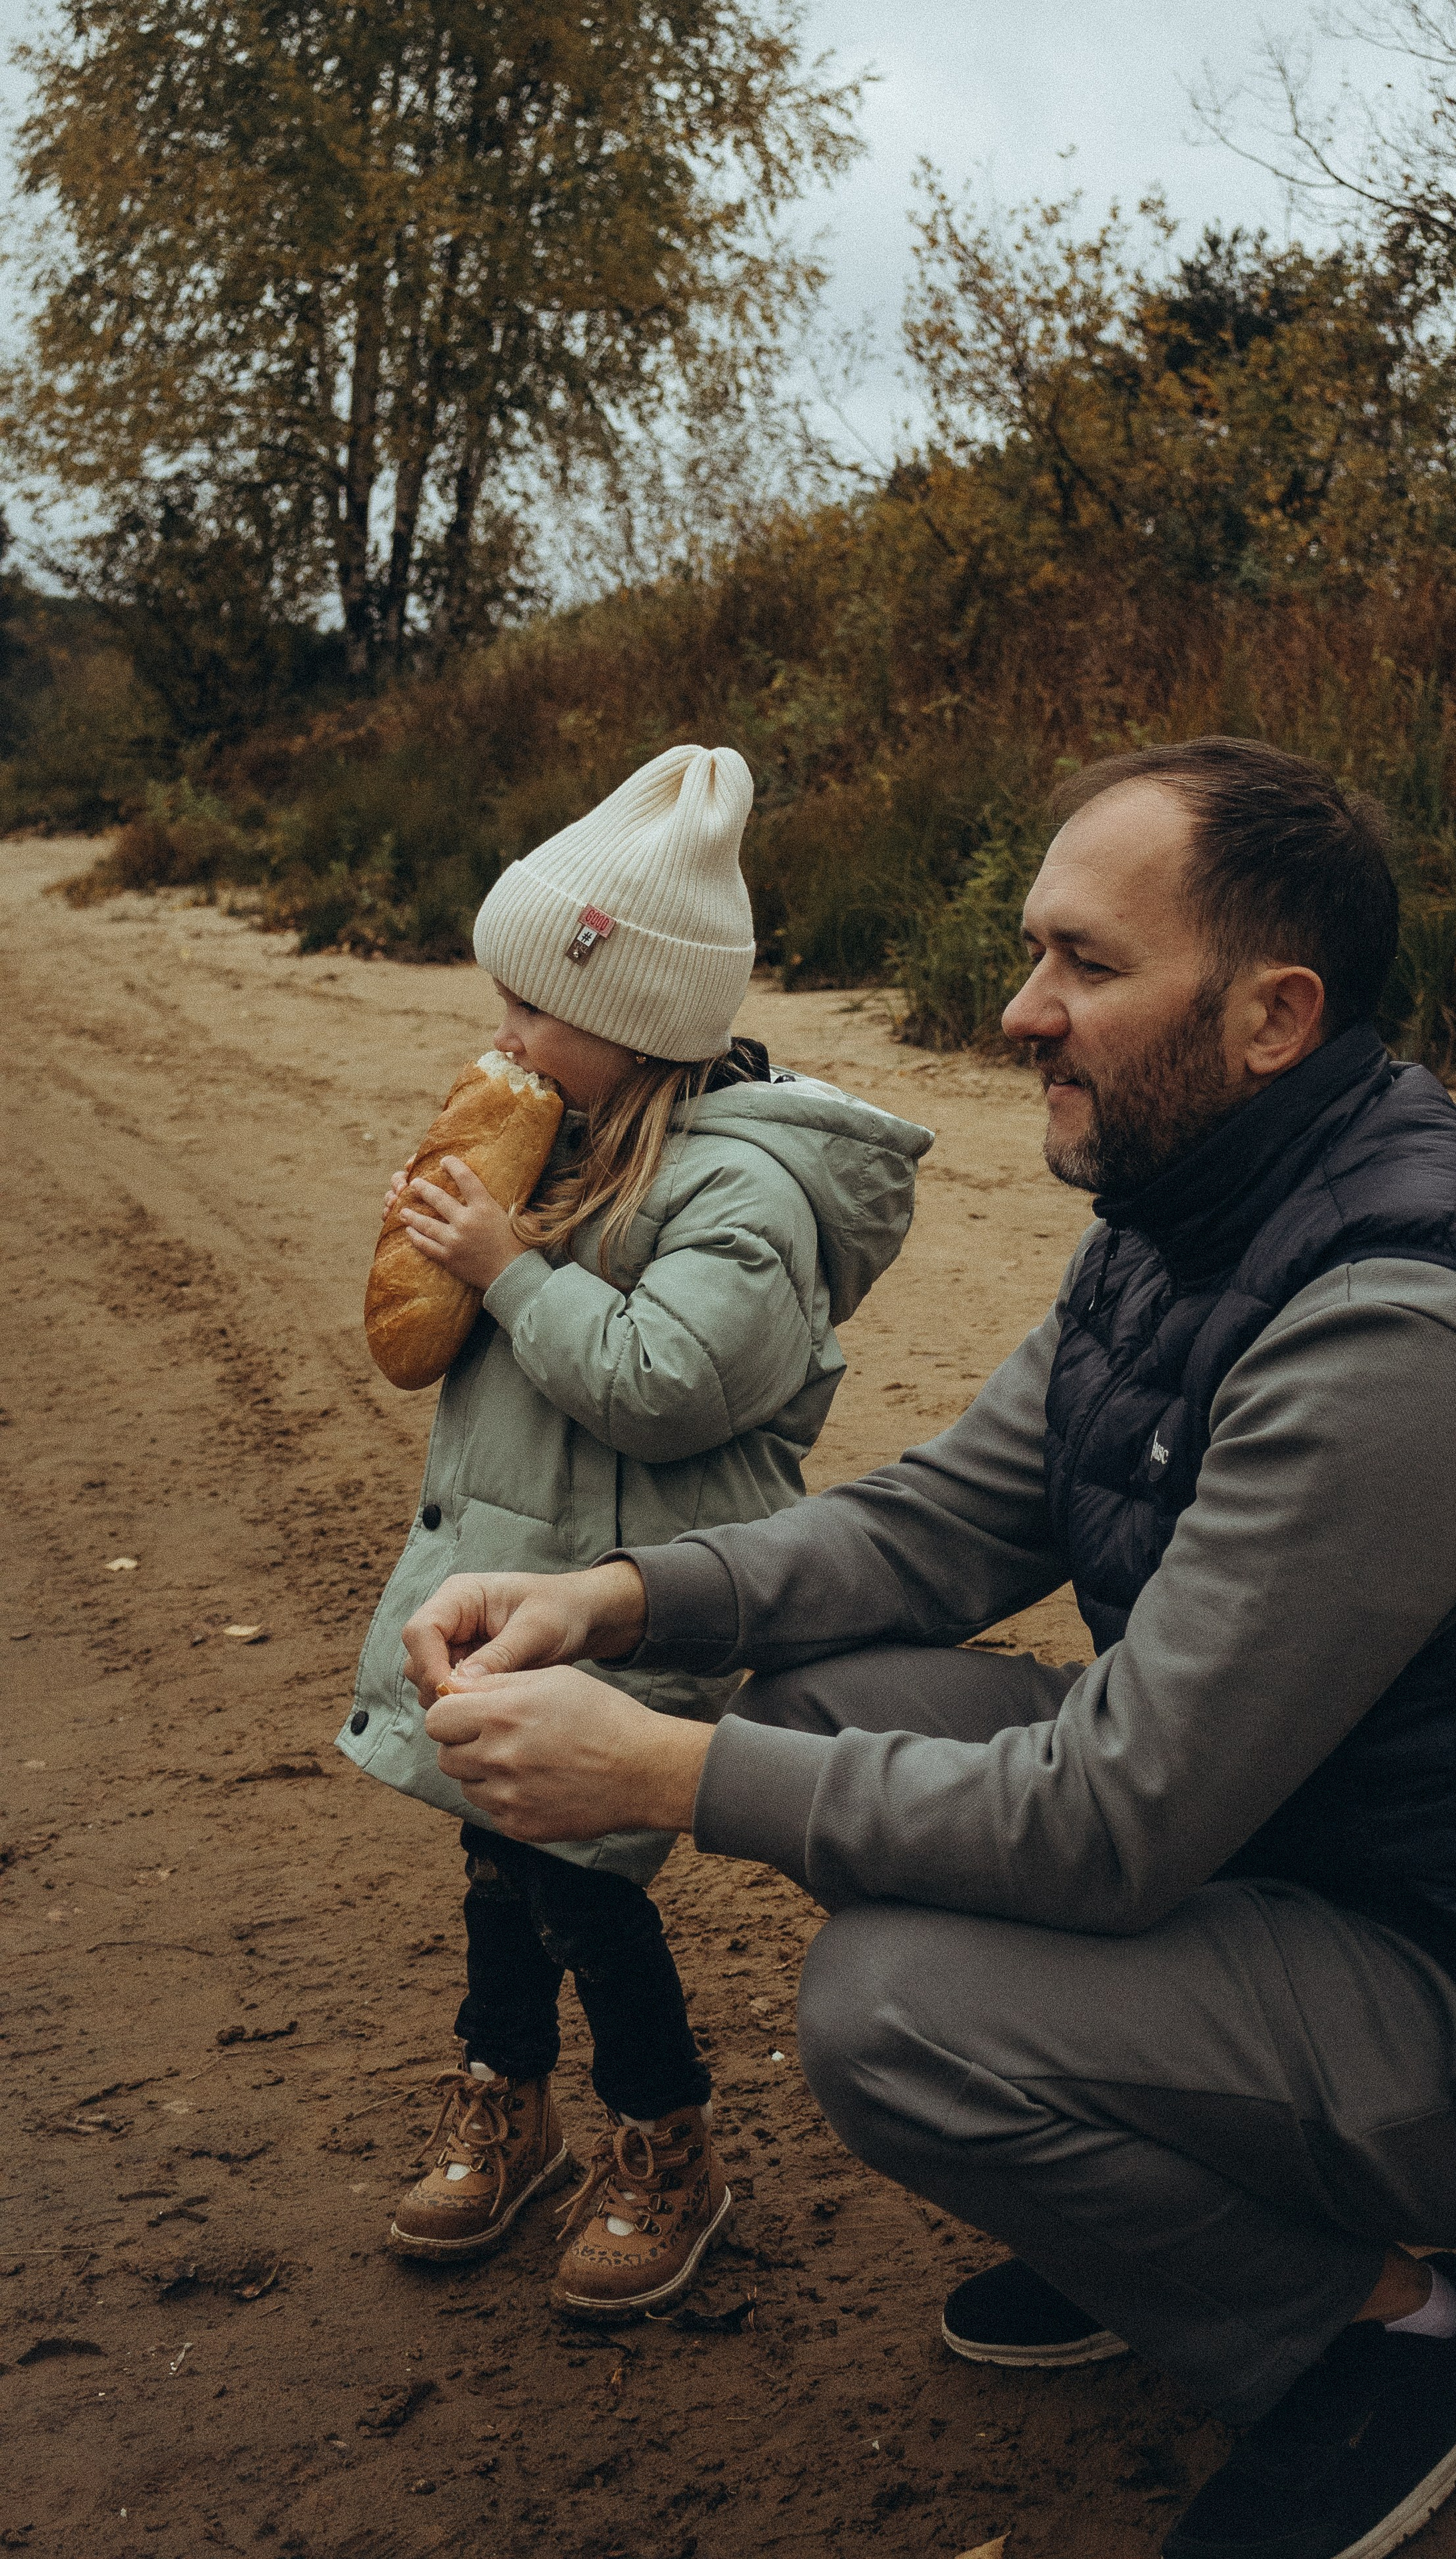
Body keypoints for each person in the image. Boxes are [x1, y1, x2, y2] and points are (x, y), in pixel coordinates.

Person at [394, 736, 1456, 2559]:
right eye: (1034, 955)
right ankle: (1160, 2202)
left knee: (893, 2016)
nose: (1021, 1012)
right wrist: (624, 1601)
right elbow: (939, 1524)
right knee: (829, 1693)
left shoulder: (1403, 1331)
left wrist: (666, 1773)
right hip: (1323, 1845)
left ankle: (1390, 2339)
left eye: (1086, 965)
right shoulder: (1192, 1206)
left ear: (1272, 1015)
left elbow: (1112, 1830)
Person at [336, 740, 930, 2319]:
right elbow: (449, 1362)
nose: (503, 1036)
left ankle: (668, 2140)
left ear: (633, 1020)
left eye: (530, 1009)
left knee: (587, 1883)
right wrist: (456, 1251)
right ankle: (505, 2097)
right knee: (496, 1861)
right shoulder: (566, 1143)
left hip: (636, 1598)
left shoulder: (749, 1195)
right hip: (509, 1566)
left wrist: (507, 1268)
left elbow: (663, 1386)